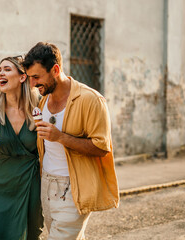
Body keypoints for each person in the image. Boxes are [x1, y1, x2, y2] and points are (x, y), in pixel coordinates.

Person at [22, 42, 119, 240]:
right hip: (46, 183)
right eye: (30, 78)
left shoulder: (91, 99)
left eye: (36, 77)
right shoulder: (43, 100)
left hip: (74, 188)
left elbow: (102, 148)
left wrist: (60, 137)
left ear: (55, 69)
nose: (32, 84)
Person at [0, 56, 43, 239]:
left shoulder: (40, 108)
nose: (0, 74)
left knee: (31, 233)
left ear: (22, 77)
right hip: (0, 183)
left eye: (6, 69)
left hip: (30, 180)